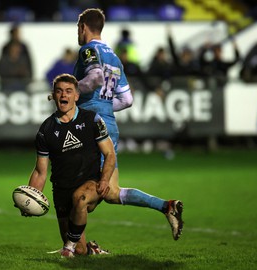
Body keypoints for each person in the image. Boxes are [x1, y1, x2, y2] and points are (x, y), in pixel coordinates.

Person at [73, 8, 184, 246]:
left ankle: (74, 248)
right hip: (109, 125)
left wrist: (73, 91)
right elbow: (127, 100)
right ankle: (167, 206)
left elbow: (93, 79)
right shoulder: (114, 57)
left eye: (78, 28)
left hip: (90, 126)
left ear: (83, 27)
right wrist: (103, 106)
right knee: (112, 192)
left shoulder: (88, 50)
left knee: (76, 190)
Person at [20, 73, 116, 257]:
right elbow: (41, 172)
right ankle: (86, 248)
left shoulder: (92, 120)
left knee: (80, 199)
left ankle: (69, 245)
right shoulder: (46, 130)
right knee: (79, 251)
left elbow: (109, 153)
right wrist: (29, 198)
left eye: (68, 91)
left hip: (90, 183)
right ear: (54, 95)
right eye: (59, 91)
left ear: (76, 96)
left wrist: (104, 180)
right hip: (62, 190)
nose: (64, 95)